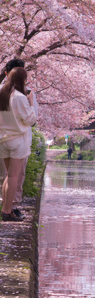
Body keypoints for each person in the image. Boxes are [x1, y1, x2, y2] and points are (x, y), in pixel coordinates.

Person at [0, 59, 36, 217]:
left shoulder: (2, 93)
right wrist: (31, 103)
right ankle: (8, 210)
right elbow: (30, 120)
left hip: (3, 138)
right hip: (17, 140)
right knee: (14, 176)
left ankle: (4, 207)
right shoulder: (20, 97)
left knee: (7, 176)